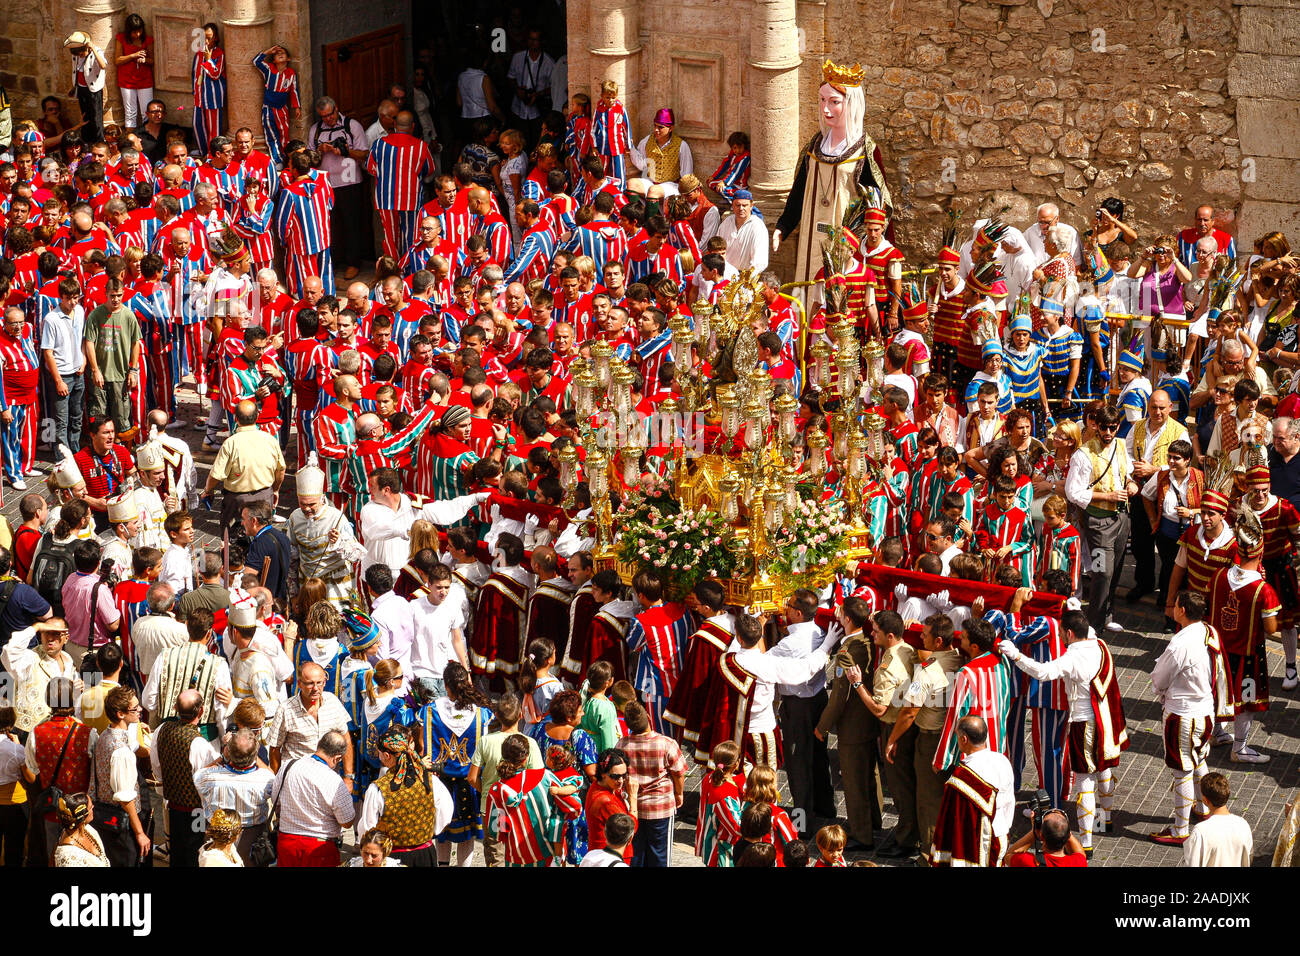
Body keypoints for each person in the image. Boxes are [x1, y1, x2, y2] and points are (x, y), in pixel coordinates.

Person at [1000, 608, 1130, 855]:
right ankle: (1106, 819)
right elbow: (1088, 628)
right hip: (1106, 718)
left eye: (1061, 633)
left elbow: (1043, 672)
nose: (1059, 636)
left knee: (1085, 781)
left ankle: (1088, 842)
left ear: (1069, 633)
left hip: (1083, 724)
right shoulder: (1099, 644)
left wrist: (1016, 655)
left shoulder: (1071, 657)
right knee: (1104, 767)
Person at [484, 732, 582, 867]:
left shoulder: (497, 791)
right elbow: (574, 806)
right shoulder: (546, 777)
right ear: (526, 757)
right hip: (549, 856)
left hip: (516, 859)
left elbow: (497, 831)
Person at [929, 716, 1015, 866]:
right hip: (1001, 834)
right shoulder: (1003, 760)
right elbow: (1009, 801)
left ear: (964, 739)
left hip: (977, 845)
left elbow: (952, 822)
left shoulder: (960, 778)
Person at [150, 688, 219, 867]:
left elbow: (156, 766)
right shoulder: (200, 744)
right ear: (201, 711)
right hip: (196, 811)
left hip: (173, 805)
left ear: (175, 708)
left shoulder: (161, 729)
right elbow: (206, 783)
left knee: (177, 853)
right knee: (195, 852)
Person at [616, 701, 686, 867]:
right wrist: (679, 794)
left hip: (633, 808)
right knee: (660, 855)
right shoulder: (667, 743)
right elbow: (679, 773)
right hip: (660, 808)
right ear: (648, 717)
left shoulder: (621, 745)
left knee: (636, 854)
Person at [87, 685, 151, 867]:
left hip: (104, 816)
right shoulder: (121, 751)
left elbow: (136, 747)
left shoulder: (105, 735)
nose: (140, 710)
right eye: (135, 708)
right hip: (121, 824)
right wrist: (140, 833)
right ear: (120, 714)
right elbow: (125, 797)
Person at [270, 729, 355, 866]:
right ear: (337, 758)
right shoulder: (334, 780)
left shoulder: (288, 766)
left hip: (287, 842)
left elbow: (276, 800)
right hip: (319, 848)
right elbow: (347, 821)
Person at [1183, 772, 1252, 866]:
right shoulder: (1243, 824)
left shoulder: (1201, 831)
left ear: (1205, 800)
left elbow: (1192, 863)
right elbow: (1249, 857)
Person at [1004, 807, 1088, 866]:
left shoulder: (1029, 862)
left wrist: (1034, 832)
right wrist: (1064, 830)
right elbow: (1080, 853)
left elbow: (1008, 855)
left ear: (1041, 836)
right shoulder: (1078, 862)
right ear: (1068, 836)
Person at [51, 792, 109, 867]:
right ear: (83, 816)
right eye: (91, 807)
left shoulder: (89, 829)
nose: (93, 808)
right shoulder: (68, 856)